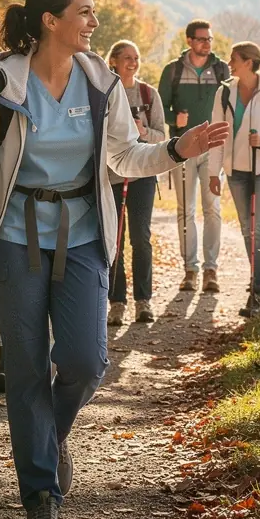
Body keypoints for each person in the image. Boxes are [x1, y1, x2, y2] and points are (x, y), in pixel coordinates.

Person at [0, 0, 229, 519]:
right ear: (50, 20)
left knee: (85, 360)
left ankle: (48, 437)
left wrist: (178, 149)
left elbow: (124, 156)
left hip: (81, 236)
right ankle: (41, 498)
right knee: (25, 367)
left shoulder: (102, 81)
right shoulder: (0, 83)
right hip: (11, 237)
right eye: (85, 11)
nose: (93, 21)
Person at [208, 41, 260, 316]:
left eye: (234, 59)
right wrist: (214, 172)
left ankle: (255, 295)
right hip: (237, 171)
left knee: (258, 228)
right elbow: (217, 136)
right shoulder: (224, 92)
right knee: (247, 229)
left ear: (248, 62)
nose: (229, 63)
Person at [157, 19, 230, 292]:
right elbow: (160, 106)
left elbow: (230, 106)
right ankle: (190, 270)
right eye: (201, 39)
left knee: (213, 209)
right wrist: (173, 117)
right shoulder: (173, 71)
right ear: (189, 41)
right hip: (184, 149)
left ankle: (211, 270)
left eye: (209, 39)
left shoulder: (222, 69)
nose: (206, 44)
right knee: (185, 211)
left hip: (214, 149)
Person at [105, 40, 166, 326]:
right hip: (112, 175)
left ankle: (144, 301)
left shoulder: (148, 93)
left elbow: (161, 136)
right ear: (114, 61)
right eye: (127, 57)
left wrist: (143, 131)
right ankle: (116, 303)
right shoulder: (103, 91)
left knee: (140, 237)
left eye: (136, 57)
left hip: (142, 174)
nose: (132, 62)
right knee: (114, 239)